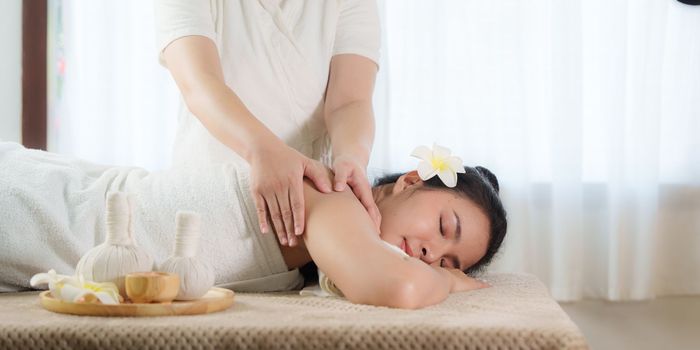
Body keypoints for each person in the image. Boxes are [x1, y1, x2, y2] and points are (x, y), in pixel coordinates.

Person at [0, 141, 507, 309]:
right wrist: (452, 282)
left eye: (448, 260)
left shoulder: (335, 244)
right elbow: (399, 287)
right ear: (412, 181)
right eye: (445, 227)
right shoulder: (333, 198)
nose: (430, 256)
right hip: (58, 209)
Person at [154, 0, 383, 249]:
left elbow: (350, 101)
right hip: (211, 197)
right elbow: (199, 84)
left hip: (307, 215)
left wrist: (352, 156)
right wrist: (264, 150)